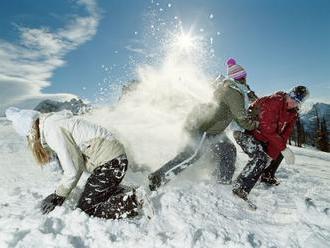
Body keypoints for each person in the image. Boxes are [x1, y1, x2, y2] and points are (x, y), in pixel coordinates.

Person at [5, 107, 140, 219]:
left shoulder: (52, 130)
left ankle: (137, 200)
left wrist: (58, 195)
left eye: (28, 137)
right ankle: (130, 191)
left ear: (30, 131)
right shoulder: (52, 123)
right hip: (114, 161)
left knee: (87, 209)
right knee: (94, 193)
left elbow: (74, 169)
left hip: (110, 163)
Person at [148, 58, 259, 190]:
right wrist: (255, 124)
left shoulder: (233, 88)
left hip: (215, 131)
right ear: (242, 77)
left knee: (228, 151)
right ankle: (157, 177)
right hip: (205, 129)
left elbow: (238, 107)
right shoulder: (233, 92)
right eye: (244, 76)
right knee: (191, 156)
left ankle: (223, 183)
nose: (246, 79)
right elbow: (241, 119)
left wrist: (251, 98)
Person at [232, 85, 309, 200]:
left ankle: (267, 175)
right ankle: (240, 188)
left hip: (262, 137)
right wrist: (278, 151)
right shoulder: (274, 101)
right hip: (245, 132)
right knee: (260, 157)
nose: (293, 102)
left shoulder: (293, 113)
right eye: (292, 97)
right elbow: (267, 129)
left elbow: (284, 135)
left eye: (297, 101)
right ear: (289, 94)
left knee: (278, 152)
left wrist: (274, 154)